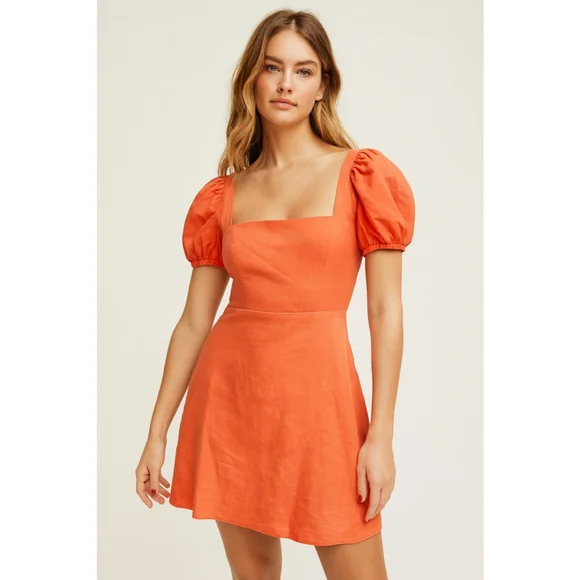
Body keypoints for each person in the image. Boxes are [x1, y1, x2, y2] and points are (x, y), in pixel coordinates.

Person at [135, 8, 415, 580]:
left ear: (323, 86)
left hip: (322, 405)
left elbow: (385, 310)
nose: (286, 83)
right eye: (272, 67)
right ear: (252, 79)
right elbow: (194, 321)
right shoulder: (223, 195)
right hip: (232, 400)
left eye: (303, 70)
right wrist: (156, 432)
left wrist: (381, 435)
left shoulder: (361, 176)